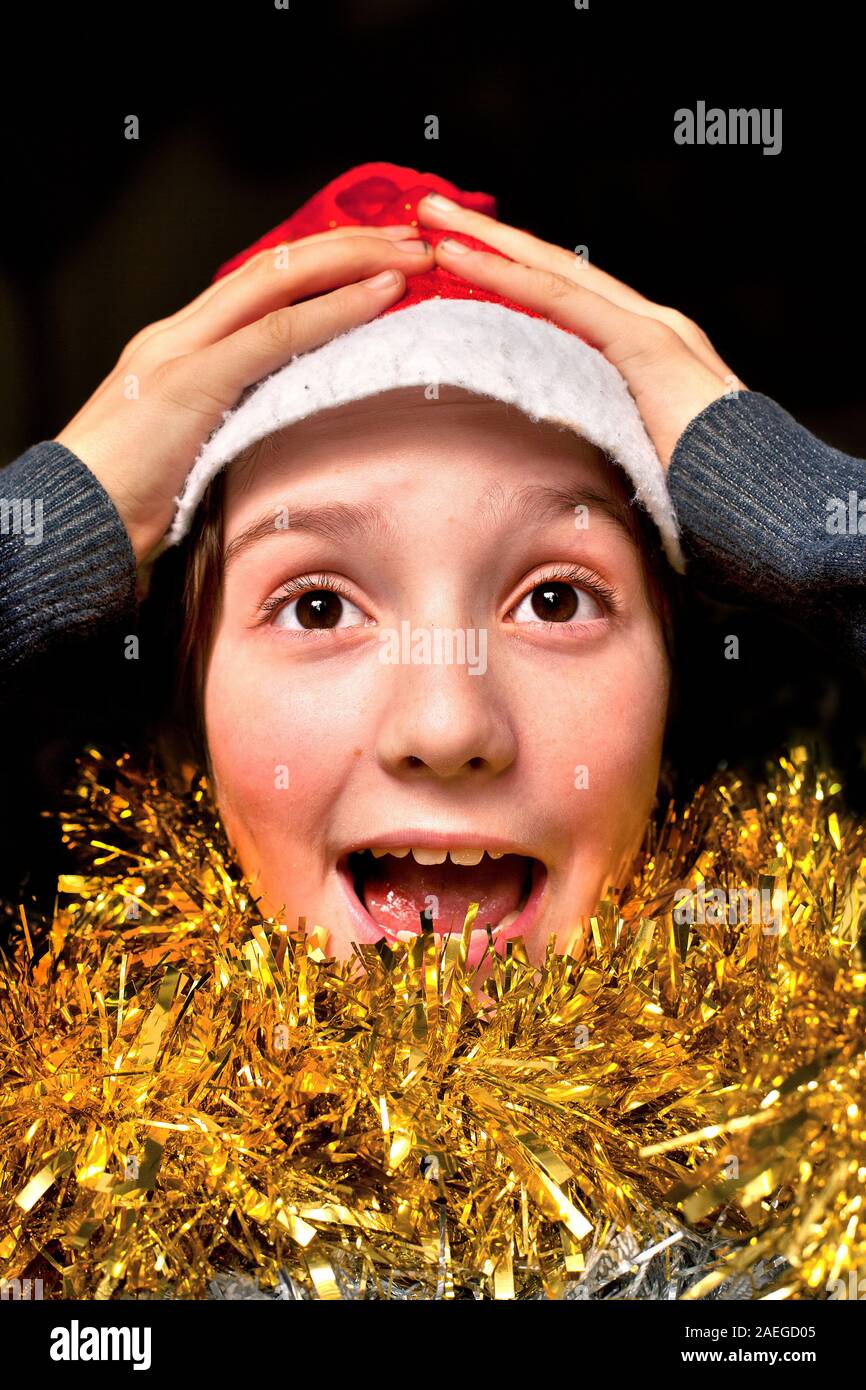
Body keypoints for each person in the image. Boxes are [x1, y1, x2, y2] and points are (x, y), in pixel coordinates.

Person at [0, 164, 864, 1300]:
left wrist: (819, 528)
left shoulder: (825, 1097)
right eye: (317, 605)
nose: (447, 724)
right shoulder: (46, 1164)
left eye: (554, 599)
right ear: (189, 695)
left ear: (674, 683)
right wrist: (40, 538)